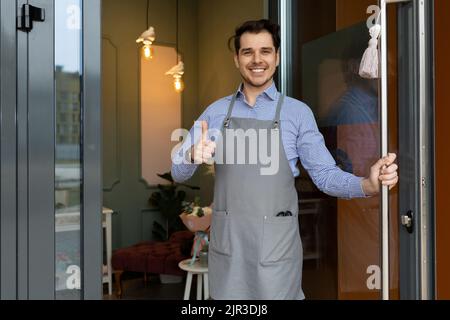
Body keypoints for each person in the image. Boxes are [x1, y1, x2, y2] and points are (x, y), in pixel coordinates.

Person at [171, 19, 398, 300]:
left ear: (277, 57)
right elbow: (177, 172)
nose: (257, 60)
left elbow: (325, 175)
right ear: (236, 59)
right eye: (247, 52)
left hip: (277, 254)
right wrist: (192, 155)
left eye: (265, 51)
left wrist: (367, 185)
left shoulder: (297, 114)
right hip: (229, 253)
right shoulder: (215, 113)